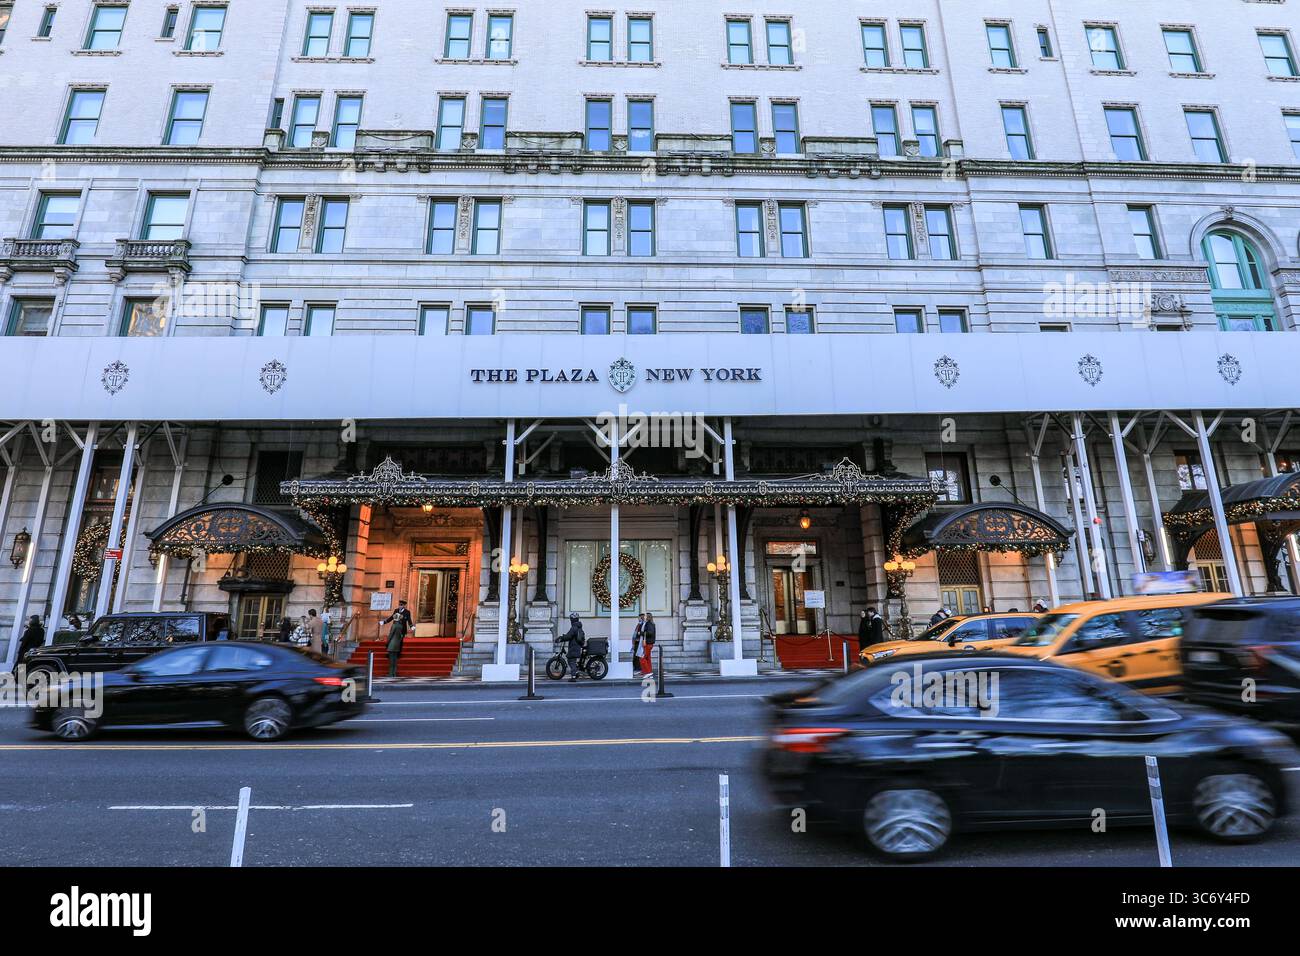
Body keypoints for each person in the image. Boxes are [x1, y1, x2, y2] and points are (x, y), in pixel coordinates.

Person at [382, 600, 413, 678]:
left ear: (404, 605)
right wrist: (385, 622)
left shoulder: (407, 612)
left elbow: (409, 620)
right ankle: (394, 672)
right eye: (399, 604)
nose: (400, 606)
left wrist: (411, 626)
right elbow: (391, 617)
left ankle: (398, 653)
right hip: (398, 628)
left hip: (402, 629)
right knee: (398, 642)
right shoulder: (396, 610)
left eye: (401, 605)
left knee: (400, 641)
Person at [560, 612, 586, 681]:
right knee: (571, 660)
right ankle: (576, 672)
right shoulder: (579, 627)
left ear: (572, 620)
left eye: (571, 619)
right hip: (577, 647)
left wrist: (561, 638)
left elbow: (568, 636)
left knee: (571, 661)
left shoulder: (574, 628)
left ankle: (574, 676)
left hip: (574, 647)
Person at [640, 611, 656, 677]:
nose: (644, 617)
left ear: (648, 617)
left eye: (645, 616)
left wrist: (641, 633)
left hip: (648, 644)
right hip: (649, 643)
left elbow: (650, 633)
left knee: (642, 658)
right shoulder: (651, 623)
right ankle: (649, 672)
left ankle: (648, 672)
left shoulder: (649, 624)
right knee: (648, 658)